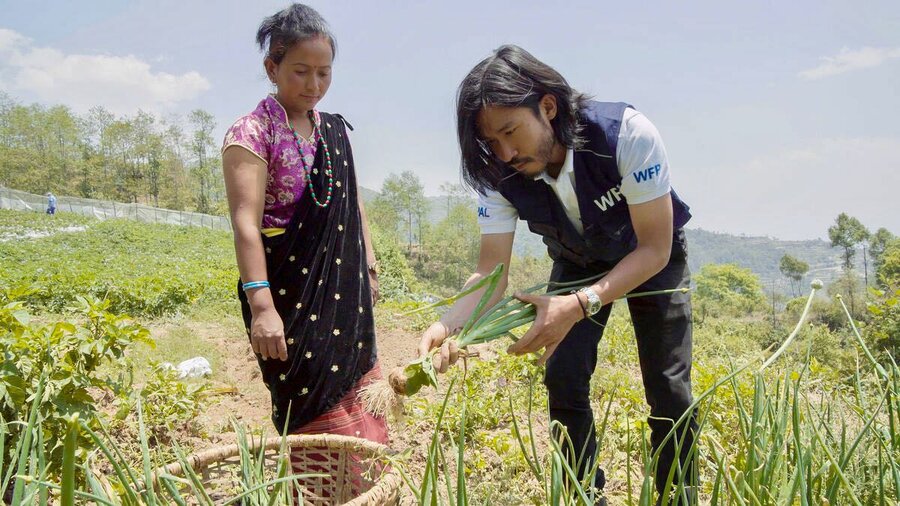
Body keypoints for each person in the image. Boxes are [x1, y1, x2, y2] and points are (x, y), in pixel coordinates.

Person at [418, 45, 697, 503]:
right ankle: (583, 493)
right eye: (491, 143)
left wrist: (581, 304)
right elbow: (491, 272)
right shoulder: (499, 175)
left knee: (668, 385)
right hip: (578, 260)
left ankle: (676, 494)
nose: (505, 152)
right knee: (563, 375)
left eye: (511, 131)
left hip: (649, 253)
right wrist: (449, 323)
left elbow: (655, 247)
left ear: (547, 106)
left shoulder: (625, 134)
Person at [221, 3, 387, 453]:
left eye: (324, 73)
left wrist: (368, 270)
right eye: (300, 72)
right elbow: (246, 226)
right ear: (271, 67)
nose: (314, 85)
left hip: (343, 291)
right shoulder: (252, 133)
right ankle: (316, 489)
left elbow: (354, 209)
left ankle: (365, 484)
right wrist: (262, 307)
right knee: (309, 399)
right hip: (288, 295)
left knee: (360, 392)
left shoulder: (335, 131)